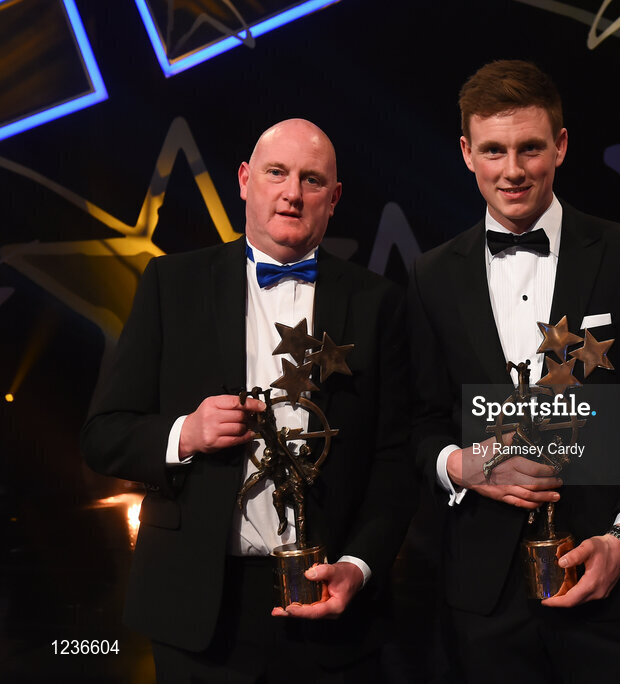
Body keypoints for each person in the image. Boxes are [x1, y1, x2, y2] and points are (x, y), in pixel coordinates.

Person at [81, 119, 414, 682]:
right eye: (276, 173)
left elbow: (396, 459)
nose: (292, 193)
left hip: (333, 610)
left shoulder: (379, 303)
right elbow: (103, 435)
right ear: (244, 180)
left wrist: (359, 565)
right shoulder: (170, 285)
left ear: (333, 199)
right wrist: (185, 433)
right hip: (197, 611)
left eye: (312, 180)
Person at [408, 60, 620, 682]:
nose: (512, 170)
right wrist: (461, 465)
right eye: (494, 150)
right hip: (482, 604)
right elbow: (420, 422)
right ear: (466, 153)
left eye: (530, 148)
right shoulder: (431, 275)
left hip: (612, 586)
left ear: (560, 146)